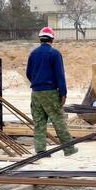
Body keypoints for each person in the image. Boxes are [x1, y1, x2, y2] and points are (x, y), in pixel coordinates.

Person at [26, 26, 78, 156]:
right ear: (52, 39)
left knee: (39, 122)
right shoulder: (54, 54)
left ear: (40, 39)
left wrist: (37, 82)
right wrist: (63, 93)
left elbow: (28, 73)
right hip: (50, 92)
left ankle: (40, 150)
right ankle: (69, 149)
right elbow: (59, 75)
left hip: (36, 93)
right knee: (58, 120)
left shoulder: (33, 54)